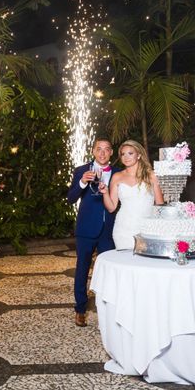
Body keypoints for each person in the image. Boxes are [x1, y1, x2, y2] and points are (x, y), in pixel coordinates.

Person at [67, 138, 118, 327]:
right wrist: (81, 182)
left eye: (106, 149)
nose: (102, 153)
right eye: (99, 149)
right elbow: (71, 198)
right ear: (93, 151)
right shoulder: (81, 170)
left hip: (109, 230)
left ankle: (108, 309)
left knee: (109, 271)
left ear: (111, 152)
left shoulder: (118, 173)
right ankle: (80, 309)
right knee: (82, 269)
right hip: (86, 229)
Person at [98, 140, 164, 249]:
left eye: (130, 153)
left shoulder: (152, 175)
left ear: (139, 155)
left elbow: (160, 205)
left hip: (147, 228)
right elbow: (111, 208)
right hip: (122, 229)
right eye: (123, 154)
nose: (126, 157)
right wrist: (105, 193)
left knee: (145, 263)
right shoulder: (117, 177)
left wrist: (159, 228)